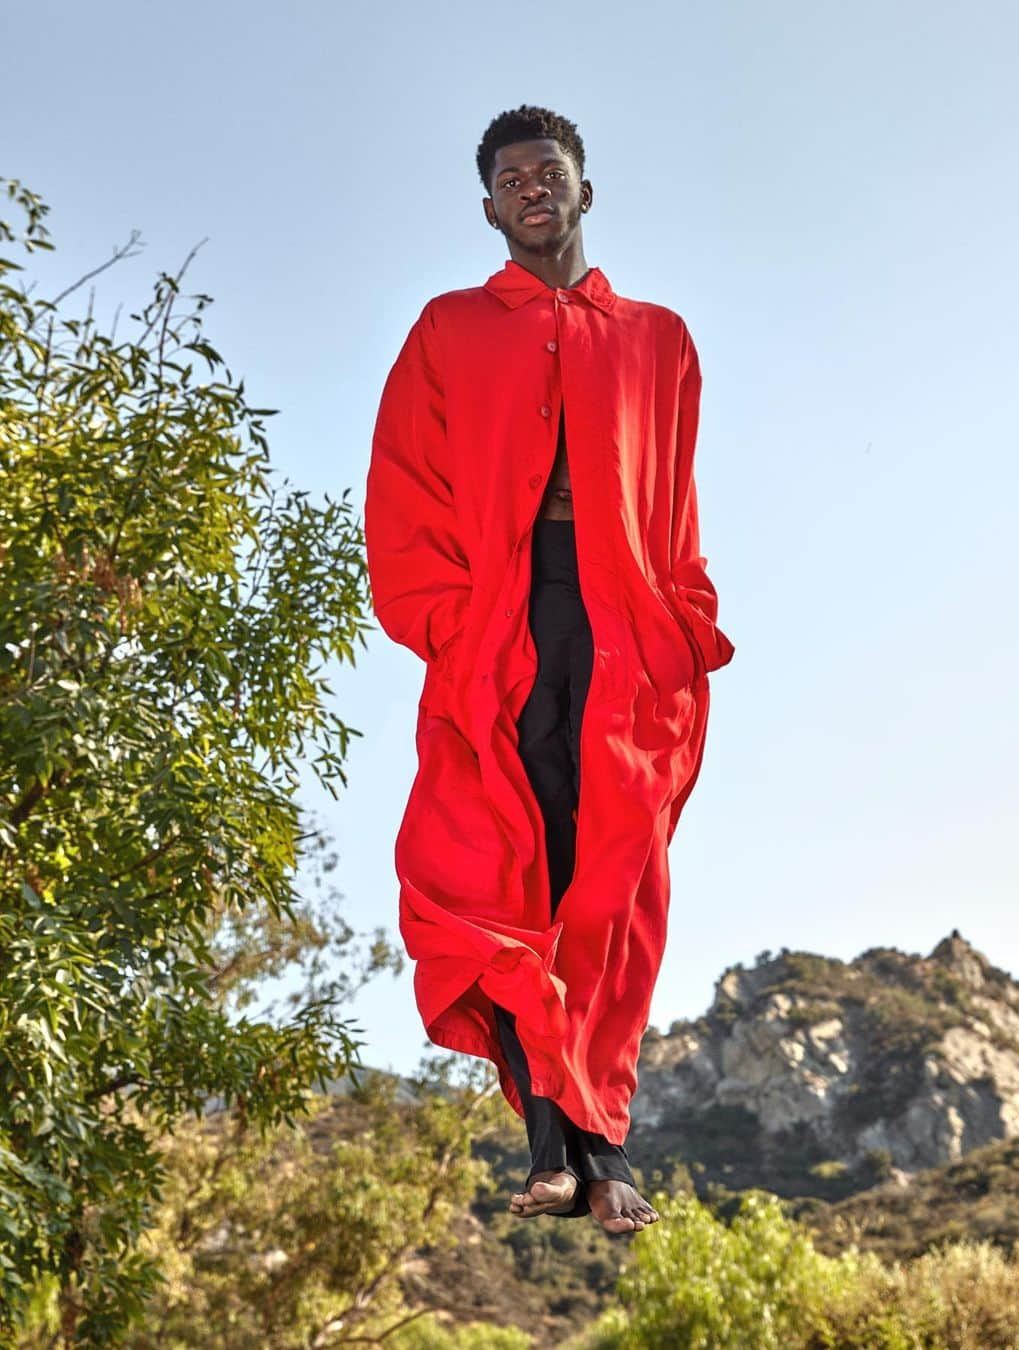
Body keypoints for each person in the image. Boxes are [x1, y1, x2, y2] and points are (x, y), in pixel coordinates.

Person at [364, 105, 735, 1235]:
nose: (532, 186)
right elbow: (400, 485)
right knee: (502, 883)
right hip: (501, 629)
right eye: (511, 177)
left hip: (627, 632)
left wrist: (685, 616)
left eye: (550, 171)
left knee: (611, 885)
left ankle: (609, 1146)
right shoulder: (446, 329)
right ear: (490, 208)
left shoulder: (660, 338)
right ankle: (555, 1150)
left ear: (584, 191)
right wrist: (445, 619)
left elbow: (675, 500)